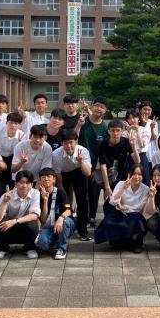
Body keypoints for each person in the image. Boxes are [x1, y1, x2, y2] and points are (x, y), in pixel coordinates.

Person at [95, 164, 149, 253]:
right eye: (134, 174)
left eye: (139, 174)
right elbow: (112, 201)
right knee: (108, 223)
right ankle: (121, 242)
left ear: (143, 176)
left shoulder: (145, 189)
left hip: (134, 214)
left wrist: (124, 207)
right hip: (119, 213)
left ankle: (136, 243)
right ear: (129, 174)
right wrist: (123, 188)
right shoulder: (121, 183)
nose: (136, 177)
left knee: (138, 221)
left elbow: (139, 207)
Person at [51, 129, 92, 241]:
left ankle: (82, 230)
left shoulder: (83, 151)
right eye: (65, 143)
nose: (68, 146)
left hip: (79, 171)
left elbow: (88, 173)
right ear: (61, 143)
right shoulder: (56, 154)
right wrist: (62, 190)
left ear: (76, 141)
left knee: (82, 200)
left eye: (71, 142)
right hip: (63, 174)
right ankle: (64, 227)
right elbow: (58, 174)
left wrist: (81, 162)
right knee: (64, 200)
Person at [0, 170, 41, 259]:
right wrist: (4, 202)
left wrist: (15, 221)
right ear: (15, 184)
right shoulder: (7, 195)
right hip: (8, 227)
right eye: (21, 182)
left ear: (32, 185)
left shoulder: (35, 193)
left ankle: (30, 248)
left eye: (28, 183)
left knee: (33, 224)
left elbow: (35, 215)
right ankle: (2, 248)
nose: (24, 186)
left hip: (23, 224)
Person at [78, 97, 109, 228]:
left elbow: (105, 148)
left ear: (105, 110)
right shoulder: (83, 121)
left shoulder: (105, 128)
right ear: (92, 106)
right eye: (96, 105)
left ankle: (91, 217)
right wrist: (79, 125)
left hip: (96, 165)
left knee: (93, 193)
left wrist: (99, 164)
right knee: (82, 192)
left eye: (102, 107)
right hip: (81, 162)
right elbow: (74, 138)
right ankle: (82, 217)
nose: (99, 108)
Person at [35, 167, 76, 260]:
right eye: (43, 177)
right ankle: (56, 242)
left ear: (54, 179)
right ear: (40, 180)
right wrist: (45, 201)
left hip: (64, 222)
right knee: (42, 244)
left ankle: (62, 249)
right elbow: (44, 220)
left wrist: (61, 218)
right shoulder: (38, 195)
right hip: (49, 225)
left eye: (49, 176)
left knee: (65, 222)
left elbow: (68, 210)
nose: (46, 179)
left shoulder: (60, 192)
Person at [96, 119, 140, 199]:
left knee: (123, 200)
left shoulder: (126, 142)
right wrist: (107, 186)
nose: (115, 133)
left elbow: (137, 161)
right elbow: (103, 166)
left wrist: (133, 146)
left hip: (123, 176)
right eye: (112, 130)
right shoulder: (103, 144)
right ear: (108, 131)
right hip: (108, 176)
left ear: (122, 131)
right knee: (109, 201)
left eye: (118, 130)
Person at [0, 111, 24, 198]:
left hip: (12, 157)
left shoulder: (22, 135)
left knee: (11, 180)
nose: (13, 125)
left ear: (19, 125)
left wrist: (19, 144)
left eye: (16, 123)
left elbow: (19, 153)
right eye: (11, 122)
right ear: (6, 122)